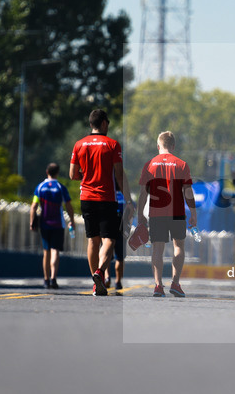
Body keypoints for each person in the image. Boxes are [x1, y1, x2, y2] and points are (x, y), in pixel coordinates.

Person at [69, 109, 129, 296]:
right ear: (104, 124)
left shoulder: (79, 144)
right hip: (107, 198)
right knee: (109, 239)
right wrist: (127, 198)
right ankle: (100, 272)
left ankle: (95, 283)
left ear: (91, 124)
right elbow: (119, 174)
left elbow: (72, 175)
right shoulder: (112, 145)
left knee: (92, 240)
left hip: (86, 197)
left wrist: (86, 176)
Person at [137, 131, 197, 297]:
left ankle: (158, 286)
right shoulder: (182, 164)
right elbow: (188, 191)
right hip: (177, 212)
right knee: (179, 246)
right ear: (173, 146)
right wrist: (193, 213)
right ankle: (175, 284)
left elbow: (143, 192)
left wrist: (140, 213)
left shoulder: (150, 164)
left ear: (158, 146)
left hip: (156, 212)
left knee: (157, 248)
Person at [30, 162, 75, 289]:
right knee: (55, 251)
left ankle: (45, 280)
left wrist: (32, 222)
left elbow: (34, 206)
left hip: (44, 224)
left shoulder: (40, 187)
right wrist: (72, 220)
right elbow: (69, 205)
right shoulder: (61, 187)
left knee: (46, 252)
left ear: (47, 172)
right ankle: (53, 279)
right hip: (58, 224)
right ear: (57, 173)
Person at [105, 187, 134, 292]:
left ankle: (107, 277)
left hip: (108, 227)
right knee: (120, 257)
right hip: (121, 229)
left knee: (106, 253)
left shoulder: (107, 194)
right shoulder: (127, 198)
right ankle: (118, 281)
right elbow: (131, 213)